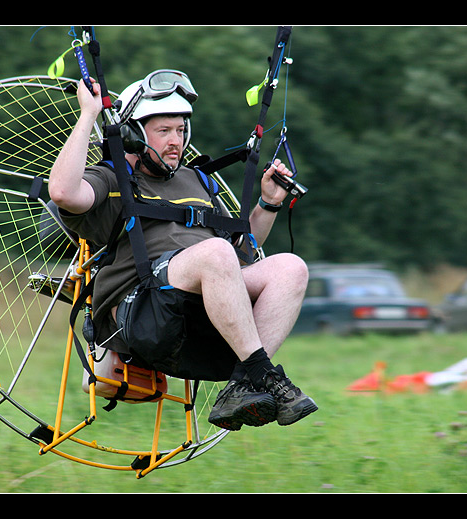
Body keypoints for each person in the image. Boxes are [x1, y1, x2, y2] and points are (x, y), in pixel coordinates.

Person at [49, 70, 317, 430]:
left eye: (180, 130)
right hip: (144, 312)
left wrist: (267, 204)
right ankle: (264, 375)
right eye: (163, 132)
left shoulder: (197, 180)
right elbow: (63, 193)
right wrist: (88, 115)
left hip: (204, 317)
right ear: (132, 134)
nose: (176, 141)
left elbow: (241, 254)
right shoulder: (111, 178)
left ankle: (241, 383)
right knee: (216, 253)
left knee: (291, 267)